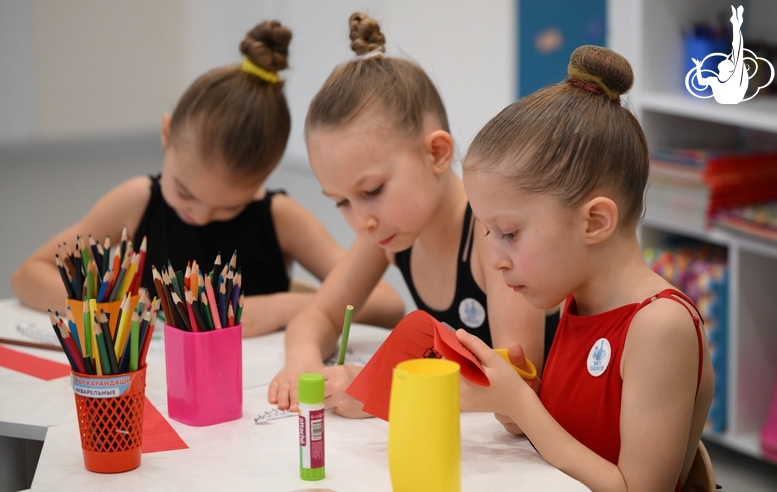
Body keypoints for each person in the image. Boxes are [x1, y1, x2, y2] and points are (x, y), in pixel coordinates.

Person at [11, 20, 404, 338]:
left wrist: (281, 308)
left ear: (261, 181)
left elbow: (387, 304)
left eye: (230, 206)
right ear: (166, 135)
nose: (198, 215)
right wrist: (110, 312)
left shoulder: (280, 218)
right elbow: (29, 274)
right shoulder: (136, 201)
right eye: (184, 192)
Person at [456, 45, 715, 491]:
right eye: (488, 233)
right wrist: (517, 400)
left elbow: (637, 487)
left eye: (510, 233)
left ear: (594, 222)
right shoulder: (576, 299)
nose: (496, 258)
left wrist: (523, 406)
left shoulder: (660, 327)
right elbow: (573, 443)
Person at [268, 13, 546, 417]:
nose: (360, 220)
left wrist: (381, 385)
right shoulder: (390, 231)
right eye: (341, 202)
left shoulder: (495, 238)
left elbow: (516, 387)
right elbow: (319, 315)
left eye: (372, 191)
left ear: (436, 153)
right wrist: (303, 361)